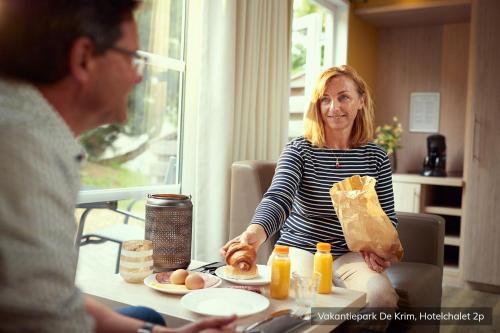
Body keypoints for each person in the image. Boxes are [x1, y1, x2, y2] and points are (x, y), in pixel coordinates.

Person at [0, 1, 236, 332]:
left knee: (148, 317)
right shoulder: (25, 154)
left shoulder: (30, 126)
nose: (138, 76)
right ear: (83, 58)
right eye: (131, 57)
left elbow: (55, 300)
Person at [222, 65, 399, 331]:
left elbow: (387, 217)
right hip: (302, 248)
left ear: (361, 101)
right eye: (325, 99)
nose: (333, 107)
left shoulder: (375, 157)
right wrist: (253, 234)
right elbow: (278, 196)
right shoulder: (299, 150)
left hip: (351, 254)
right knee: (305, 307)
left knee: (382, 297)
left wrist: (380, 248)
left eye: (343, 97)